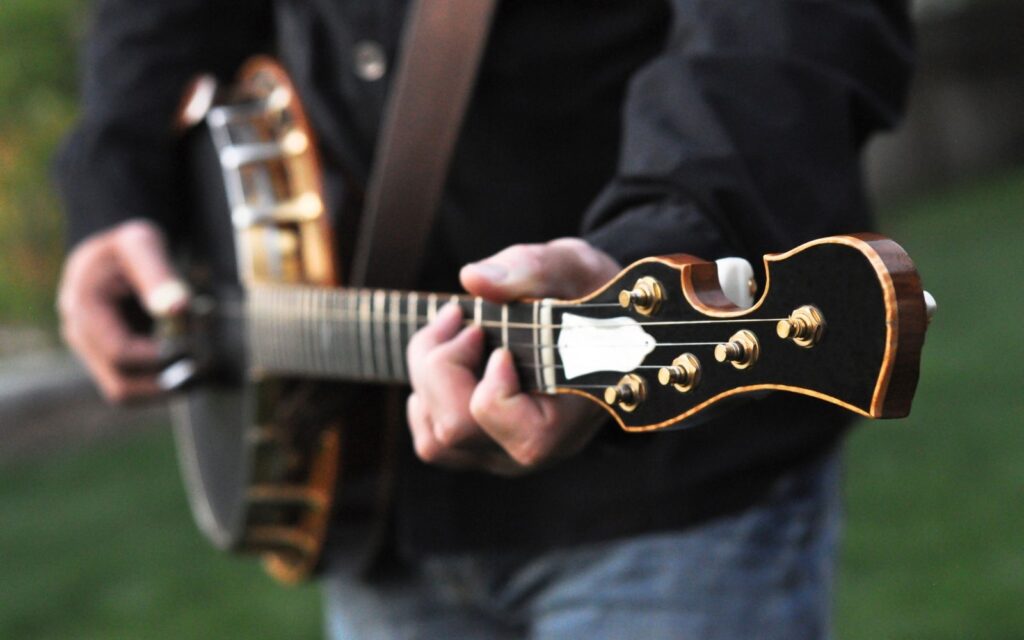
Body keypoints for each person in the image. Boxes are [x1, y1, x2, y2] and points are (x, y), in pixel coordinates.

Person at [55, 0, 913, 637]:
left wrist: (654, 246)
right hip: (372, 485)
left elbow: (782, 30)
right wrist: (114, 184)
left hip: (673, 500)